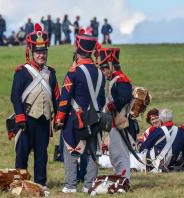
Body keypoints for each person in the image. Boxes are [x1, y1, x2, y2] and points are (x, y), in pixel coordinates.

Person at [10, 23, 60, 189]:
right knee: (22, 154)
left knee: (41, 155)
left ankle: (40, 183)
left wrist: (58, 117)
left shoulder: (51, 73)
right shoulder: (22, 72)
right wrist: (20, 117)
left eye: (44, 52)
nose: (41, 55)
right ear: (32, 52)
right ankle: (19, 183)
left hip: (44, 120)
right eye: (38, 52)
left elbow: (56, 97)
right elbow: (15, 97)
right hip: (27, 119)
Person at [55, 29, 105, 193]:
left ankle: (70, 185)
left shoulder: (74, 72)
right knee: (92, 152)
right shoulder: (100, 73)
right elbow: (102, 100)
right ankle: (89, 185)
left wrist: (60, 117)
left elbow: (65, 98)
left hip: (75, 119)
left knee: (71, 151)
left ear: (78, 50)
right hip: (95, 118)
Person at [98, 47, 133, 180]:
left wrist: (109, 106)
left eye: (104, 68)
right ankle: (120, 178)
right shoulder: (115, 80)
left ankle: (124, 180)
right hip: (115, 123)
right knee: (114, 153)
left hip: (121, 123)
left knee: (120, 153)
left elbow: (124, 98)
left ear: (111, 66)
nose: (103, 72)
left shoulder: (121, 80)